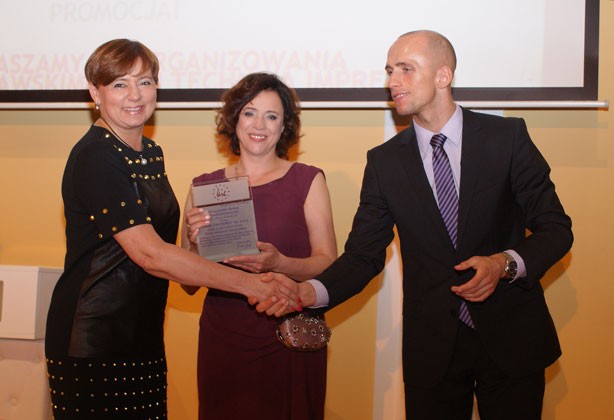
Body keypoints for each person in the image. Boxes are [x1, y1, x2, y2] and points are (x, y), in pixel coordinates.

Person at [259, 30, 573, 420]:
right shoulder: (384, 162)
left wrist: (503, 264)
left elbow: (555, 229)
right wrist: (309, 291)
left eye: (406, 69)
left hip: (513, 339)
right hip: (432, 351)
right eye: (390, 70)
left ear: (443, 76)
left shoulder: (506, 138)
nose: (393, 81)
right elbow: (363, 256)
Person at [44, 40, 299, 419]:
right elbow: (151, 254)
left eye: (145, 82)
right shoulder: (97, 155)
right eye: (119, 84)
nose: (135, 95)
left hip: (143, 334)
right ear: (95, 92)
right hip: (93, 340)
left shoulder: (150, 153)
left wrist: (198, 241)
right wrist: (251, 285)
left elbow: (166, 247)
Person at [181, 72, 337, 420]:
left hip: (289, 333)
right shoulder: (203, 187)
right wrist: (193, 242)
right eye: (250, 112)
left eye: (272, 116)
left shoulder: (307, 180)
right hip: (223, 337)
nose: (259, 125)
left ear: (285, 126)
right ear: (234, 119)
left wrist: (279, 263)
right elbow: (187, 284)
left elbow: (329, 264)